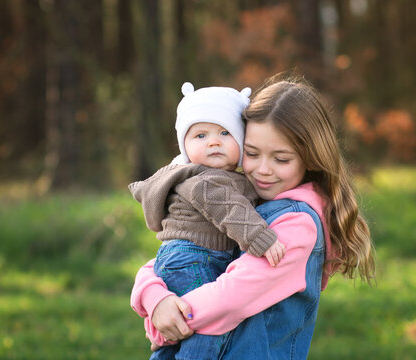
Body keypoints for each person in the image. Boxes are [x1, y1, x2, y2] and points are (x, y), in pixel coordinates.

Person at [131, 77, 376, 359]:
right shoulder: (243, 203)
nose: (262, 170)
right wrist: (153, 296)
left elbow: (230, 298)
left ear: (310, 158)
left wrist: (163, 324)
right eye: (251, 153)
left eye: (281, 159)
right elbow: (175, 255)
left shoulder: (297, 226)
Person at [129, 82, 287, 360]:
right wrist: (260, 237)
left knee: (178, 334)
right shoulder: (205, 180)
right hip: (196, 259)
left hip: (179, 259)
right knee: (208, 330)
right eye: (201, 135)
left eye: (225, 133)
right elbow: (228, 210)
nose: (213, 141)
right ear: (185, 145)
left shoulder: (216, 177)